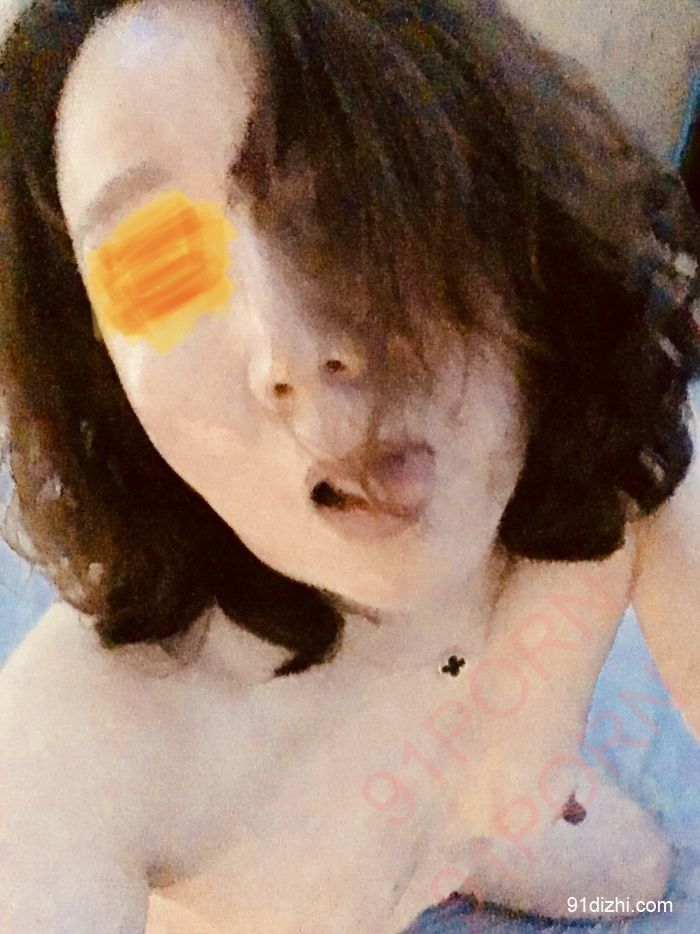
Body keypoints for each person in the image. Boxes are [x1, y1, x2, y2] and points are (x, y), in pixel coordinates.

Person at [0, 0, 699, 931]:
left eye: (347, 199)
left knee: (640, 875)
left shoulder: (609, 448)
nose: (286, 350)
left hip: (475, 816)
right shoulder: (87, 747)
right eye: (156, 270)